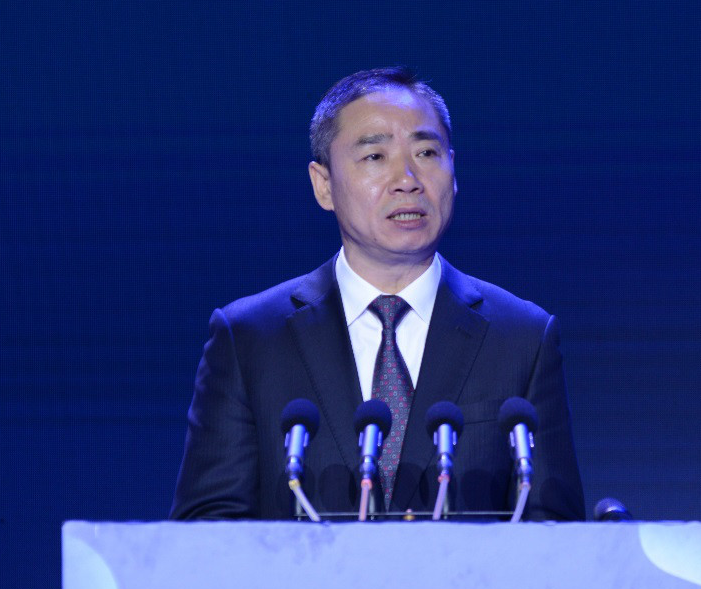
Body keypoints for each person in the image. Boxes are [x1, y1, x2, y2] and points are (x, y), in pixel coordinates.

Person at [170, 67, 584, 521]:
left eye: (426, 152)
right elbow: (208, 529)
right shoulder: (251, 337)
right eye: (375, 156)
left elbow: (554, 530)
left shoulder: (521, 337)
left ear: (453, 171)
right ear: (323, 185)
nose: (407, 179)